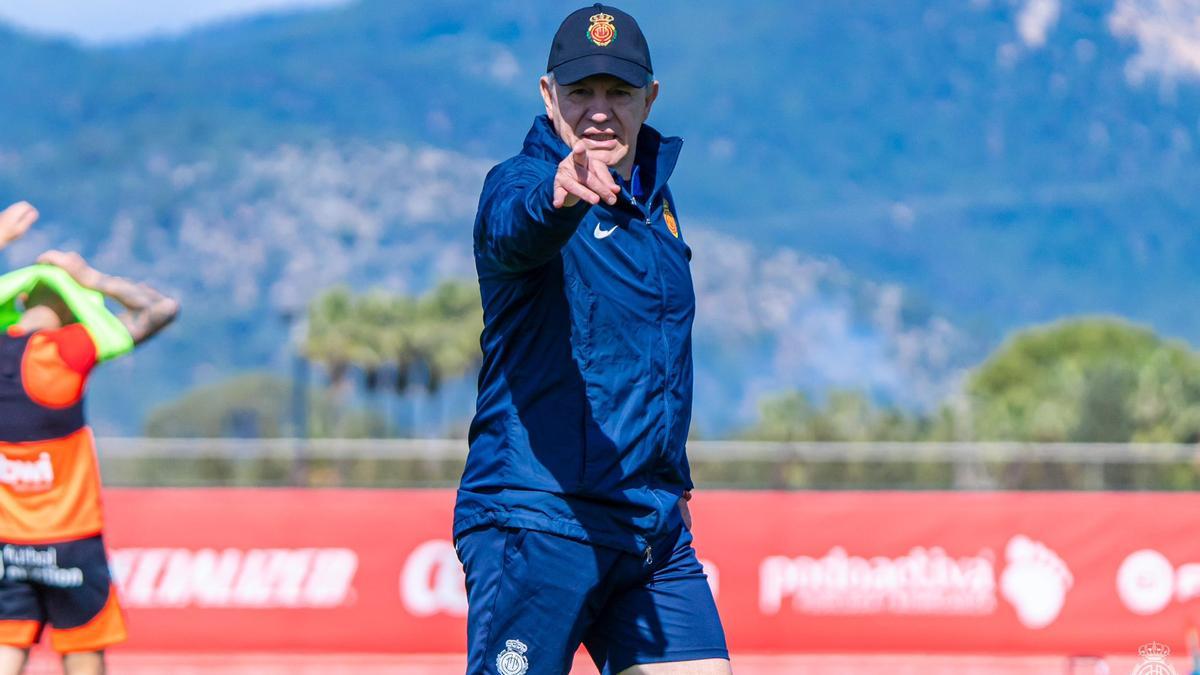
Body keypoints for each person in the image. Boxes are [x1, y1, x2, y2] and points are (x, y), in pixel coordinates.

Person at [454, 5, 730, 674]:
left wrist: (676, 481)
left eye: (618, 91)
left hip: (648, 529)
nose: (600, 110)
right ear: (548, 96)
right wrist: (558, 194)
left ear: (650, 98)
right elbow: (510, 227)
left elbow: (657, 356)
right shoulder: (522, 184)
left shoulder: (655, 204)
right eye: (581, 91)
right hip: (541, 520)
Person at [0, 238, 179, 675]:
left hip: (6, 541)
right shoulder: (67, 351)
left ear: (23, 298)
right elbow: (161, 309)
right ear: (74, 307)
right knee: (84, 654)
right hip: (71, 539)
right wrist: (93, 279)